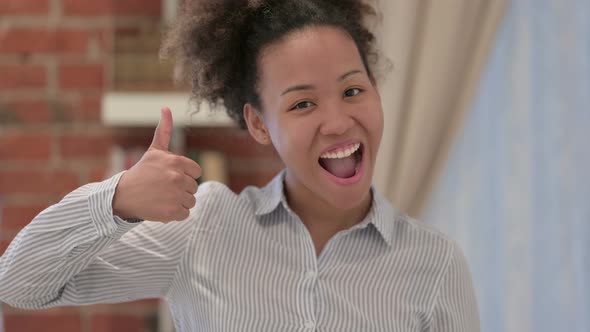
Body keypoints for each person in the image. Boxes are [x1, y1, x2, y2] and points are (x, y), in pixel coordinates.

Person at [0, 1, 479, 331]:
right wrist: (117, 200)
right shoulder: (202, 229)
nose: (337, 122)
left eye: (353, 90)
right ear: (258, 123)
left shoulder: (434, 265)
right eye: (302, 104)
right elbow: (19, 283)